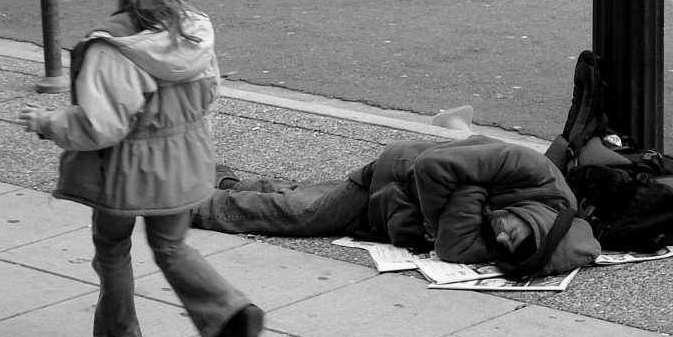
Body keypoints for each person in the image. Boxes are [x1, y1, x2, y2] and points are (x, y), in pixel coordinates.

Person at [18, 0, 263, 337]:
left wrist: (47, 122)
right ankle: (233, 311)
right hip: (186, 159)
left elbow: (99, 126)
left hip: (126, 172)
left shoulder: (112, 46)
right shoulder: (192, 28)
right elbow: (208, 95)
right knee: (171, 246)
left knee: (112, 248)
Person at [192, 134, 602, 278]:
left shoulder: (517, 241)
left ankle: (215, 178)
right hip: (393, 176)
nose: (498, 236)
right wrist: (460, 200)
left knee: (297, 194)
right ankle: (186, 206)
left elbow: (452, 249)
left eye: (504, 248)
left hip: (389, 211)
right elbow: (433, 165)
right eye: (513, 233)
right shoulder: (534, 172)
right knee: (302, 215)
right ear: (540, 221)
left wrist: (469, 190)